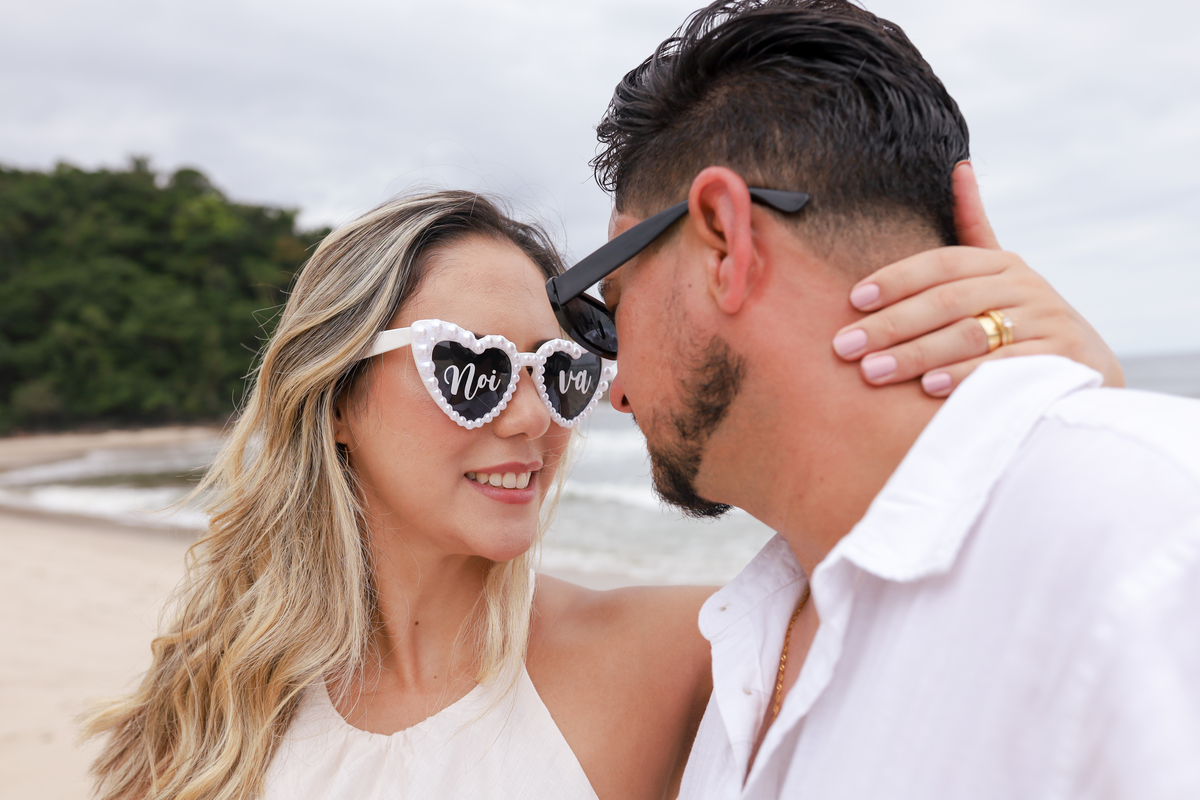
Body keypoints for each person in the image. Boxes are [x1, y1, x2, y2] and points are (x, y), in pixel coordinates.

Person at [544, 1, 1200, 797]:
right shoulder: (755, 637)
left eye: (612, 303)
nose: (617, 390)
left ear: (723, 241)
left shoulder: (1153, 547)